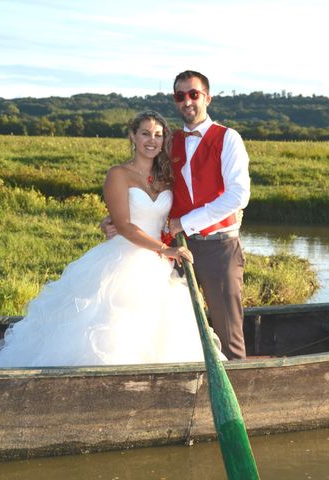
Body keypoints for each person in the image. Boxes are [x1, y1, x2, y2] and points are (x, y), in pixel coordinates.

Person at [0, 110, 221, 368]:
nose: (152, 140)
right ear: (133, 136)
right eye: (145, 134)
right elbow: (125, 226)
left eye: (158, 135)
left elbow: (173, 213)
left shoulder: (166, 177)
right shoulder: (118, 174)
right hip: (124, 258)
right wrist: (166, 249)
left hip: (157, 264)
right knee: (113, 327)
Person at [103, 70, 251, 360]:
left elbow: (238, 196)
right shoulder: (171, 142)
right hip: (174, 249)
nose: (187, 101)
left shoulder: (229, 139)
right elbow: (154, 188)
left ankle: (237, 392)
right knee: (168, 323)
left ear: (207, 97)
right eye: (180, 96)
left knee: (227, 332)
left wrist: (186, 222)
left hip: (218, 246)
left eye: (193, 94)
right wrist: (118, 221)